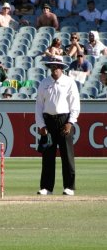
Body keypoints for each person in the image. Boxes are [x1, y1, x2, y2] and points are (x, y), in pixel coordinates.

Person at [35, 56, 80, 196]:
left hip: (64, 120)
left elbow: (75, 104)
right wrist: (41, 125)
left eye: (57, 66)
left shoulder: (69, 82)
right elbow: (39, 105)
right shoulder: (44, 82)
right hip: (48, 121)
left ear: (62, 68)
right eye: (52, 66)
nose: (54, 69)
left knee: (67, 156)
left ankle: (69, 187)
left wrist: (70, 122)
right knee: (48, 156)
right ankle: (47, 187)